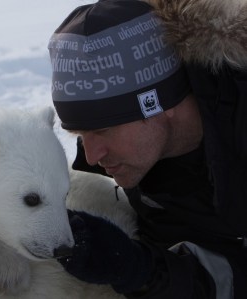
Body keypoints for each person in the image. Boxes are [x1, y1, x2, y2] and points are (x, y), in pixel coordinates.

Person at [48, 0, 247, 298]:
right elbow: (226, 273)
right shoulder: (149, 166)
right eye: (80, 134)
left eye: (103, 130)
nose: (91, 156)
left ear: (155, 102)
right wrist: (137, 268)